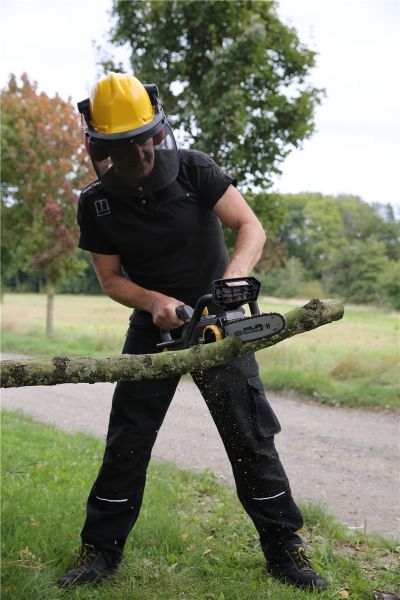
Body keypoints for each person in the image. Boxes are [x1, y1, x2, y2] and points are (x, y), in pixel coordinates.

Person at [58, 72, 328, 590]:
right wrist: (155, 301)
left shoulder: (195, 169)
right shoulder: (96, 202)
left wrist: (231, 284)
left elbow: (250, 227)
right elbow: (111, 278)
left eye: (142, 140)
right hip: (152, 330)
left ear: (157, 131)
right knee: (127, 440)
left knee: (250, 438)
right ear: (98, 145)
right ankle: (100, 551)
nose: (137, 153)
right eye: (121, 145)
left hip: (219, 324)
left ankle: (284, 549)